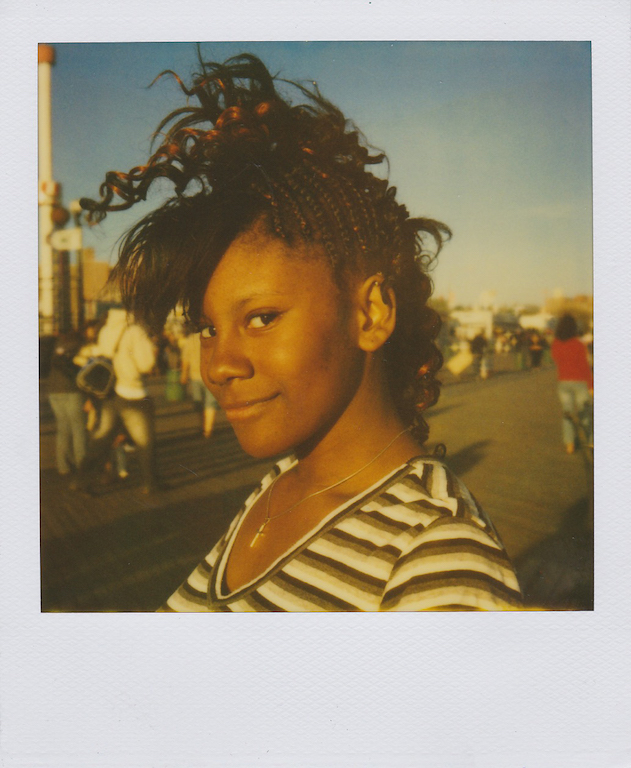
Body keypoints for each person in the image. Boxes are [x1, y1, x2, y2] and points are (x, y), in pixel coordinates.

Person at [81, 53, 521, 611]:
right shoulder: (285, 480)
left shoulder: (435, 563)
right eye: (207, 328)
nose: (217, 365)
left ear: (371, 314)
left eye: (261, 318)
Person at [74, 308, 158, 493]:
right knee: (144, 442)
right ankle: (149, 484)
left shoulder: (106, 329)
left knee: (101, 439)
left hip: (110, 392)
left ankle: (82, 479)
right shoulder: (136, 331)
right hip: (133, 392)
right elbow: (146, 363)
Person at [46, 331, 88, 476]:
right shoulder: (80, 346)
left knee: (62, 429)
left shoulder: (59, 345)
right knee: (78, 429)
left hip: (54, 391)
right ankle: (81, 465)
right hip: (71, 390)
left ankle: (62, 466)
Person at [551, 314, 593, 454]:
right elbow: (584, 366)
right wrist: (591, 385)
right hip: (580, 381)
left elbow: (556, 359)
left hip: (563, 382)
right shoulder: (578, 344)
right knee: (584, 413)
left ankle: (569, 444)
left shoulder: (556, 343)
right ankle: (590, 441)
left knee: (567, 413)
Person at [180, 329, 220, 438]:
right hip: (210, 376)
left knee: (199, 403)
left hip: (195, 376)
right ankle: (208, 430)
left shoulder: (190, 340)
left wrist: (184, 374)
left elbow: (185, 359)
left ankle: (203, 426)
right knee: (210, 403)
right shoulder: (213, 337)